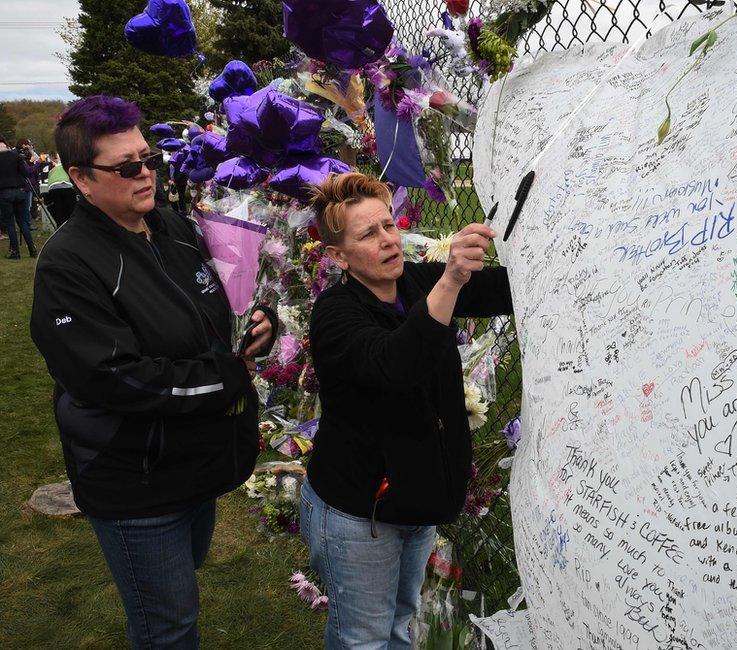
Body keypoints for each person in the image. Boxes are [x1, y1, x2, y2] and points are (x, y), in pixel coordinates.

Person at [30, 95, 279, 649]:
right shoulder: (68, 264)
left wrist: (260, 324)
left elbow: (219, 314)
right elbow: (111, 375)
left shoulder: (176, 229)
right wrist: (229, 376)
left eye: (149, 159)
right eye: (126, 167)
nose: (145, 174)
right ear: (81, 179)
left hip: (197, 465)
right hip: (136, 481)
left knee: (174, 603)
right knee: (167, 629)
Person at [301, 172, 513, 648]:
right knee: (364, 638)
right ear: (338, 256)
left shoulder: (414, 281)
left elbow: (502, 291)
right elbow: (397, 364)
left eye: (389, 225)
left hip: (414, 502)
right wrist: (453, 278)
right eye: (368, 234)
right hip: (360, 513)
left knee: (401, 622)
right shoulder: (335, 314)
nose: (388, 241)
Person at [0, 137, 36, 258]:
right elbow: (26, 173)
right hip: (19, 191)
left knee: (10, 223)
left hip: (4, 192)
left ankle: (15, 251)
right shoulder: (16, 155)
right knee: (22, 222)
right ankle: (32, 249)